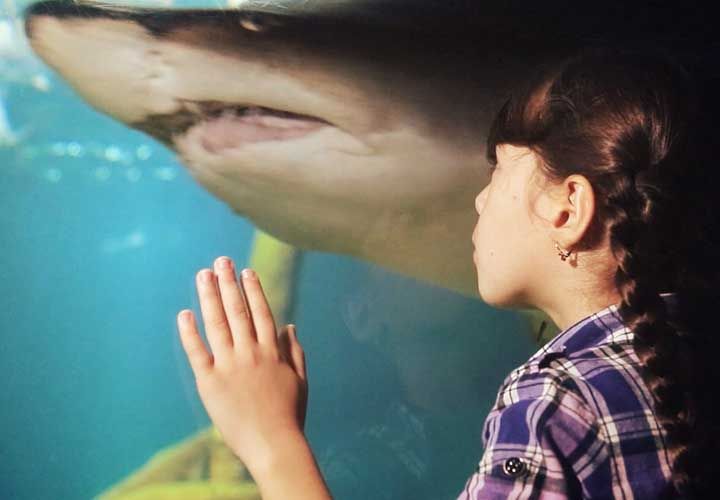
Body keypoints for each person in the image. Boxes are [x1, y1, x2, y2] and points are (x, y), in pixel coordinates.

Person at [175, 45, 717, 499]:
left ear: (567, 209)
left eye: (498, 172)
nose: (479, 202)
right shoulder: (690, 352)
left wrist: (272, 441)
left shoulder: (551, 404)